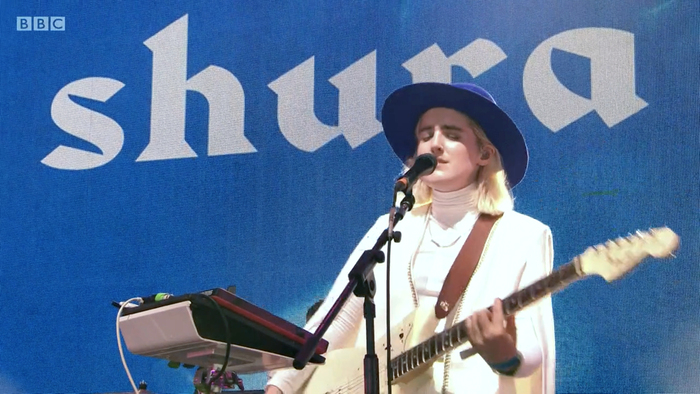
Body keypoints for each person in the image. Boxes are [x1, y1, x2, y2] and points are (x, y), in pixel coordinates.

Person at [265, 82, 555, 394]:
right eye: (426, 135)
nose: (436, 144)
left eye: (452, 135)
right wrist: (280, 386)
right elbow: (334, 321)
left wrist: (506, 355)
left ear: (484, 152)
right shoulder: (389, 228)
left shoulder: (522, 235)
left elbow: (532, 341)